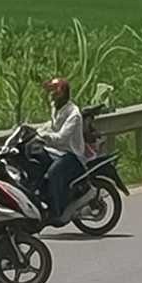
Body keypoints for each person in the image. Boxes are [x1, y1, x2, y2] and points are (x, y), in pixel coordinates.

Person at [33, 76, 86, 220]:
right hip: (56, 151)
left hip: (71, 154)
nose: (52, 95)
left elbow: (62, 137)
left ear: (63, 94)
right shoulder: (55, 107)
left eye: (55, 92)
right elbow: (52, 124)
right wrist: (35, 130)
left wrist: (44, 136)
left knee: (53, 174)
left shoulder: (74, 114)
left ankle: (58, 211)